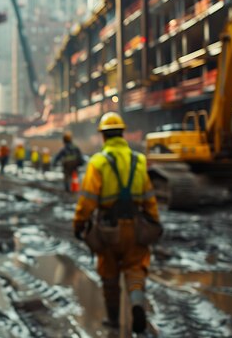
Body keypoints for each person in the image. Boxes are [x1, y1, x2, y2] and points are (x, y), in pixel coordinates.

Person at [73, 112, 160, 334]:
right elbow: (149, 197)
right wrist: (154, 221)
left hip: (107, 229)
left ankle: (113, 320)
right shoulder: (138, 160)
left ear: (103, 136)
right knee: (135, 269)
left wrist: (79, 223)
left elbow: (88, 200)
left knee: (109, 275)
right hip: (135, 226)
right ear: (123, 134)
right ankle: (137, 304)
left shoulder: (98, 162)